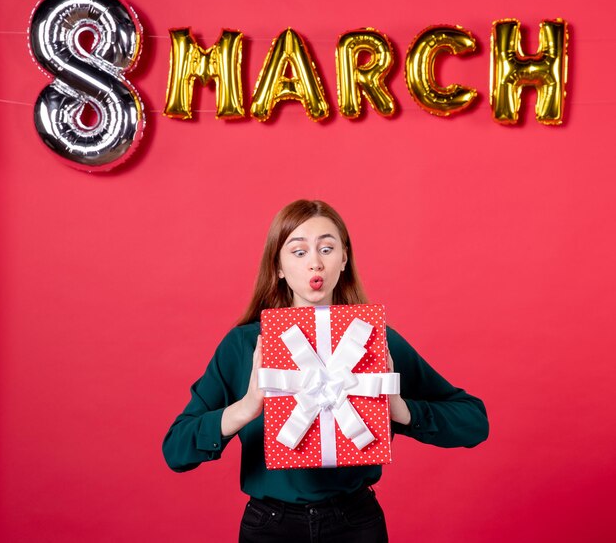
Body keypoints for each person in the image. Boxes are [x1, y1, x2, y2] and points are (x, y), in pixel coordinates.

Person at [163, 200, 489, 542]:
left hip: (356, 524)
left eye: (327, 248)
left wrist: (400, 409)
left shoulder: (374, 340)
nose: (315, 262)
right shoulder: (245, 345)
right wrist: (246, 407)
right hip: (269, 527)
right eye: (298, 251)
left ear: (344, 259)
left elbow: (474, 423)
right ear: (278, 267)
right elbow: (176, 451)